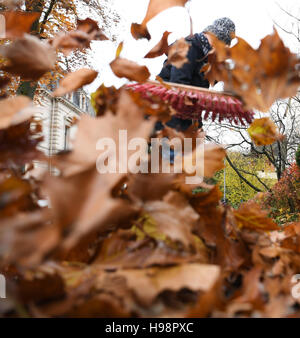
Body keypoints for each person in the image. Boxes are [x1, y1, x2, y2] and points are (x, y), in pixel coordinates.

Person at [157, 17, 236, 132]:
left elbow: (198, 94)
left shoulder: (205, 60)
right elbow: (179, 87)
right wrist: (195, 127)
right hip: (169, 124)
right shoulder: (188, 47)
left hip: (183, 126)